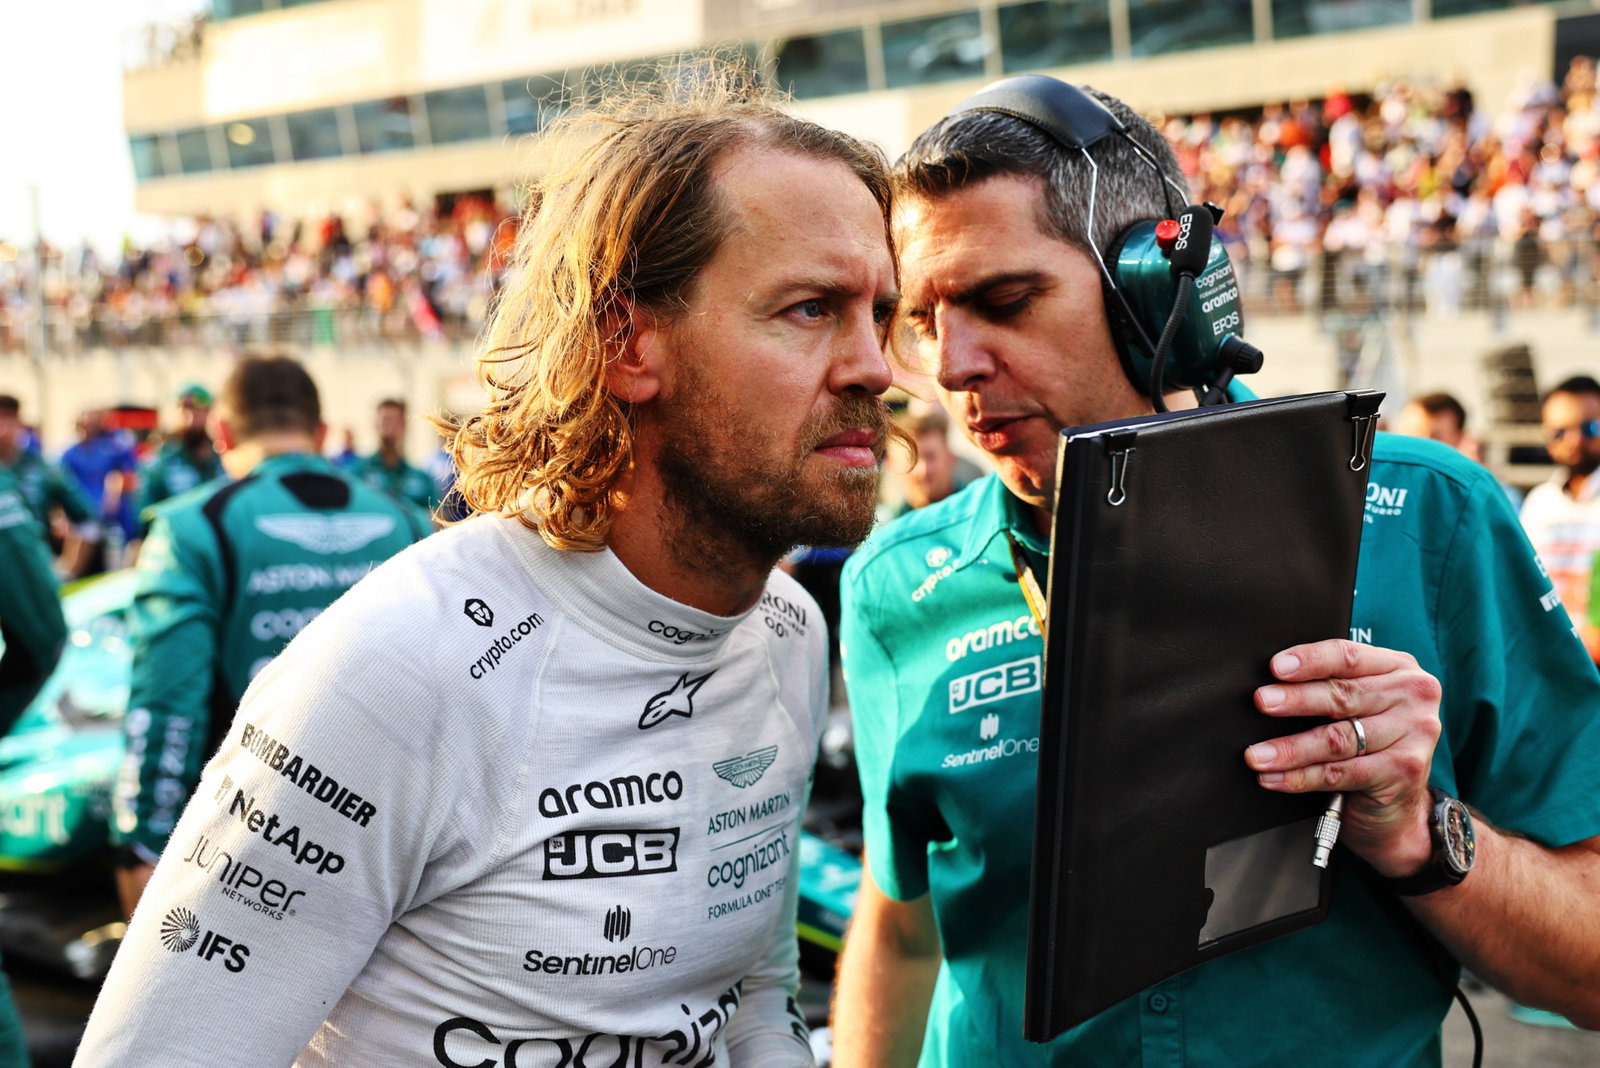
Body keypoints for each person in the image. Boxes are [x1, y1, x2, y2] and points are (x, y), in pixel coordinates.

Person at [78, 64, 899, 1066]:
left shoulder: (788, 634)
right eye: (811, 309)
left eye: (881, 314)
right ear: (628, 345)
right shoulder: (395, 669)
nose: (876, 367)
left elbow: (752, 1000)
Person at [833, 76, 1600, 1067]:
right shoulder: (895, 581)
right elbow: (902, 928)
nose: (949, 364)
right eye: (923, 319)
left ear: (1155, 292)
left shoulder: (1423, 518)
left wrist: (1416, 829)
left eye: (1002, 300)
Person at [107, 354, 432, 919]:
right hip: (396, 852)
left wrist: (140, 842)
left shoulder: (193, 528)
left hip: (247, 853)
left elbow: (167, 701)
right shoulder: (407, 521)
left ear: (222, 432)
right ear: (323, 433)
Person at [1520, 375, 1600, 663]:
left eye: (1591, 427)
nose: (1575, 440)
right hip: (1549, 656)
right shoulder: (1540, 503)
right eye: (1559, 432)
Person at [0, 393, 99, 578]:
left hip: (33, 575)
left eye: (8, 420)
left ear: (20, 424)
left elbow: (88, 519)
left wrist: (67, 570)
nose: (3, 430)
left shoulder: (43, 469)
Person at [60, 407, 140, 572]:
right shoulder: (70, 454)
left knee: (117, 551)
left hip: (111, 515)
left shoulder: (110, 448)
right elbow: (61, 487)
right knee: (81, 551)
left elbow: (124, 475)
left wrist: (113, 495)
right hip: (83, 515)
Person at [135, 382, 224, 525]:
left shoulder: (222, 457)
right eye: (183, 407)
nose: (191, 415)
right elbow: (145, 511)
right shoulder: (160, 459)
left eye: (198, 408)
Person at [348, 396, 436, 511]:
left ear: (404, 426)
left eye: (395, 421)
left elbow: (437, 519)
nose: (390, 427)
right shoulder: (356, 474)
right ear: (375, 425)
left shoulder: (422, 479)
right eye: (385, 420)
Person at [890, 407, 982, 515]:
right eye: (912, 460)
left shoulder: (982, 512)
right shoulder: (882, 528)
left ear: (950, 457)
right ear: (891, 464)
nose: (924, 470)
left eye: (931, 457)